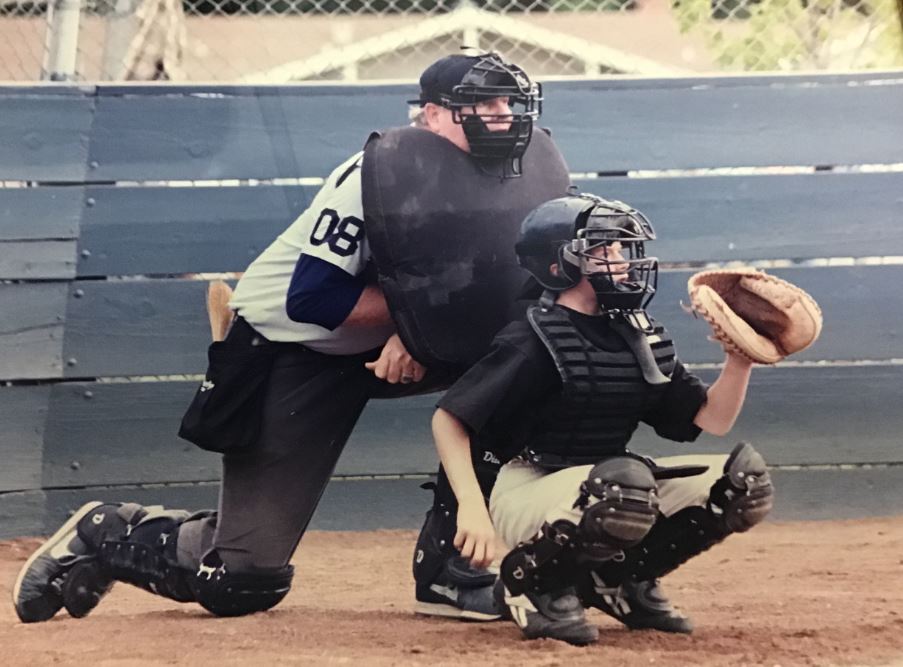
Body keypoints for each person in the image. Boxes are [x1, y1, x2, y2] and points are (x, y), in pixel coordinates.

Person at [12, 52, 571, 624]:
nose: (502, 115)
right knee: (242, 579)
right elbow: (315, 298)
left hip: (401, 345)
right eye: (482, 103)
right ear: (431, 116)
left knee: (531, 362)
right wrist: (414, 324)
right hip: (292, 349)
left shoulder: (520, 177)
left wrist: (424, 335)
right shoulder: (375, 176)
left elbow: (519, 293)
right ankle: (107, 530)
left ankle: (450, 571)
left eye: (508, 102)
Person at [430, 194, 775, 645]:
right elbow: (448, 419)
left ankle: (621, 582)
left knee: (742, 484)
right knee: (625, 484)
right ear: (560, 265)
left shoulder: (636, 332)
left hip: (602, 484)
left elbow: (712, 419)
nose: (624, 261)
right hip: (530, 487)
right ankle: (532, 585)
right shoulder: (532, 337)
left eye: (622, 249)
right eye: (605, 250)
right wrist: (472, 508)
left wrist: (739, 360)